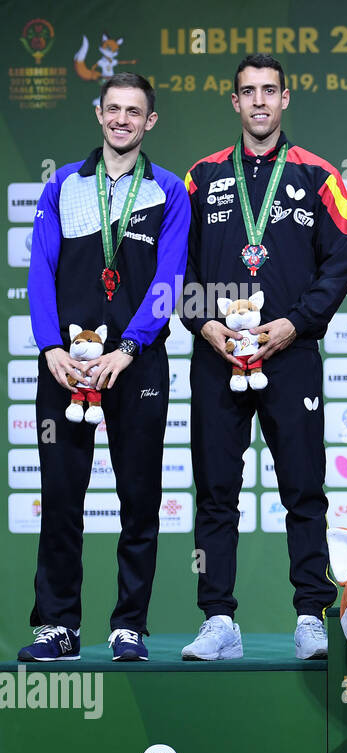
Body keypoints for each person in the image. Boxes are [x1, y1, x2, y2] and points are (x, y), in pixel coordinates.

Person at [180, 53, 347, 661]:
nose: (258, 101)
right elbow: (177, 268)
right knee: (216, 492)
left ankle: (311, 614)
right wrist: (206, 327)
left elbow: (344, 257)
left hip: (290, 355)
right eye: (247, 92)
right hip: (218, 358)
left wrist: (295, 323)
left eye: (269, 91)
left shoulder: (319, 177)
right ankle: (218, 618)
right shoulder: (200, 178)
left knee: (303, 491)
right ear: (234, 102)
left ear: (287, 99)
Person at [19, 73, 189, 664]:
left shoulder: (169, 190)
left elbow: (170, 283)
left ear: (151, 121)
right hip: (63, 366)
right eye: (113, 108)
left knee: (139, 498)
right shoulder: (61, 186)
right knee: (61, 495)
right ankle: (57, 624)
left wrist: (131, 346)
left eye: (134, 111)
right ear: (98, 114)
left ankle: (128, 626)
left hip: (135, 365)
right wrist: (50, 349)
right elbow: (40, 274)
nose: (122, 119)